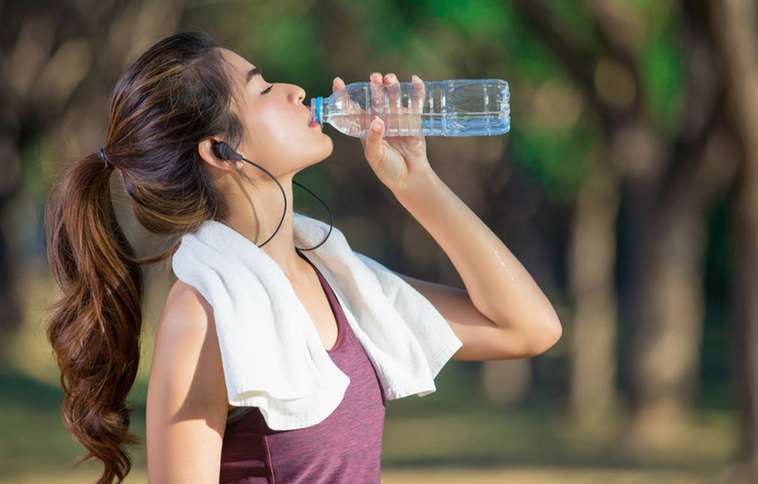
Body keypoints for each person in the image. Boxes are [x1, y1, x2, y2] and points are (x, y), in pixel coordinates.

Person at [43, 31, 562, 484]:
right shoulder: (203, 315)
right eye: (263, 89)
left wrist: (418, 184)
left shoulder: (340, 281)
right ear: (220, 150)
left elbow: (528, 328)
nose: (295, 90)